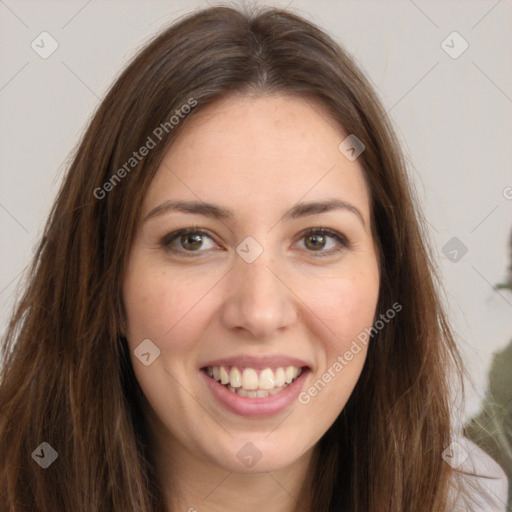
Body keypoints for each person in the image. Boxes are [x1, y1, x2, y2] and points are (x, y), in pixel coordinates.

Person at [0, 4, 507, 511]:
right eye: (193, 240)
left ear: (386, 280)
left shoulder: (473, 500)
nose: (261, 313)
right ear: (104, 284)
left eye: (317, 240)